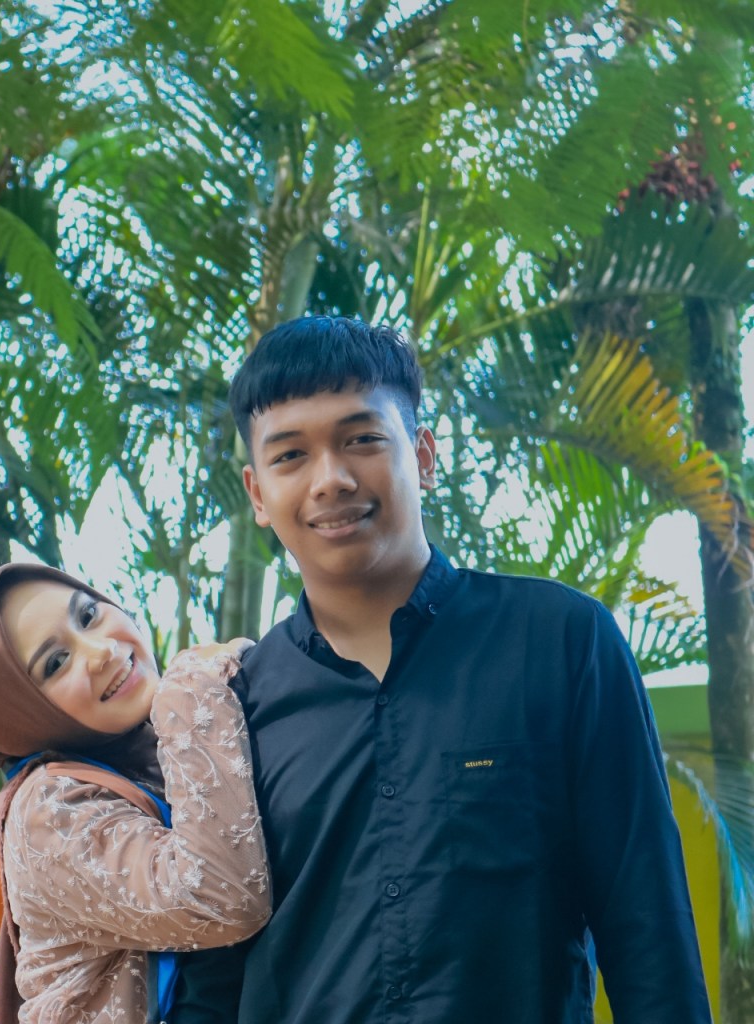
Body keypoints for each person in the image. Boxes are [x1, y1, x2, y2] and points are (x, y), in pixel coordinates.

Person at [171, 316, 712, 1024]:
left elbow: (647, 924)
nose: (331, 480)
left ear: (423, 456)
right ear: (256, 495)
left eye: (362, 439)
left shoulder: (560, 641)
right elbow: (213, 971)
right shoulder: (232, 706)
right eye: (291, 455)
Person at [0, 562, 270, 1024]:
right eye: (55, 663)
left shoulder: (151, 750)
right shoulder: (48, 810)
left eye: (87, 615)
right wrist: (192, 687)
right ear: (16, 715)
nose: (101, 650)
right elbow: (222, 898)